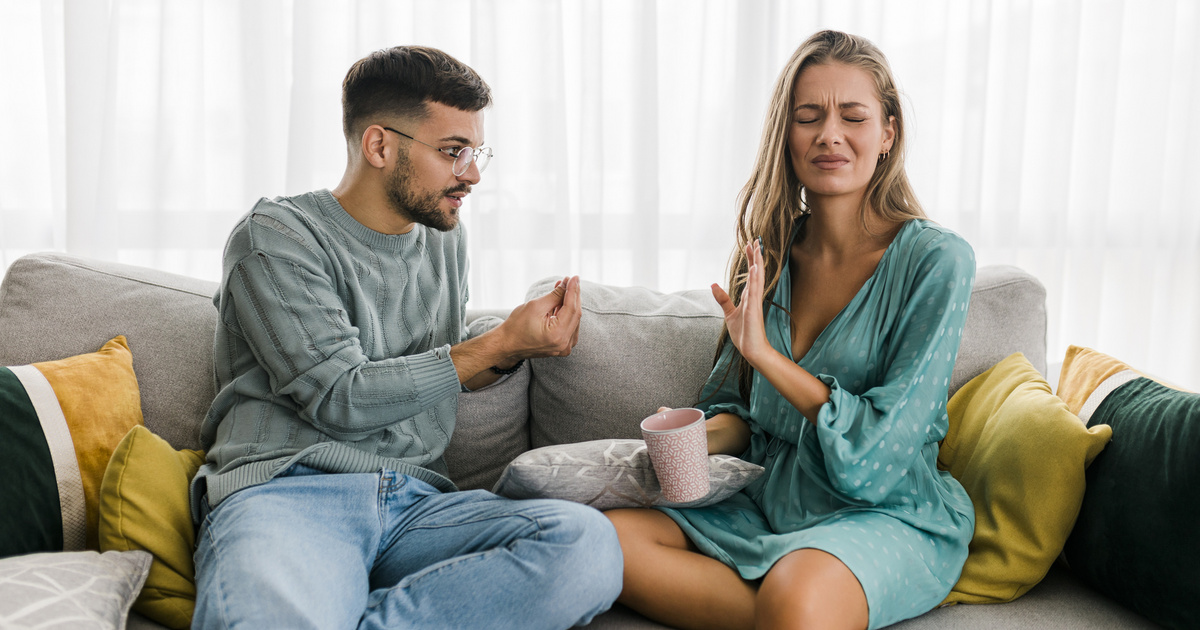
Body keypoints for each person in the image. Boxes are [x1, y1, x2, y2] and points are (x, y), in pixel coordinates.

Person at [189, 45, 622, 629]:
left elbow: (430, 367)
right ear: (379, 145)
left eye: (475, 152)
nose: (471, 173)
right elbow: (341, 395)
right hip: (289, 494)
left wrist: (514, 345)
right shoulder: (276, 236)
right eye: (453, 152)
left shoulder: (443, 238)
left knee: (585, 547)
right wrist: (490, 346)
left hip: (417, 505)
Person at [607, 30, 976, 630]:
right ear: (787, 136)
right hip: (768, 501)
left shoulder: (938, 261)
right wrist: (681, 445)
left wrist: (769, 357)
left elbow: (879, 457)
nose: (830, 134)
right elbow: (738, 414)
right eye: (809, 117)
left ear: (887, 133)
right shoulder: (767, 257)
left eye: (853, 116)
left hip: (882, 511)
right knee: (609, 538)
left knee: (798, 591)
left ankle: (799, 608)